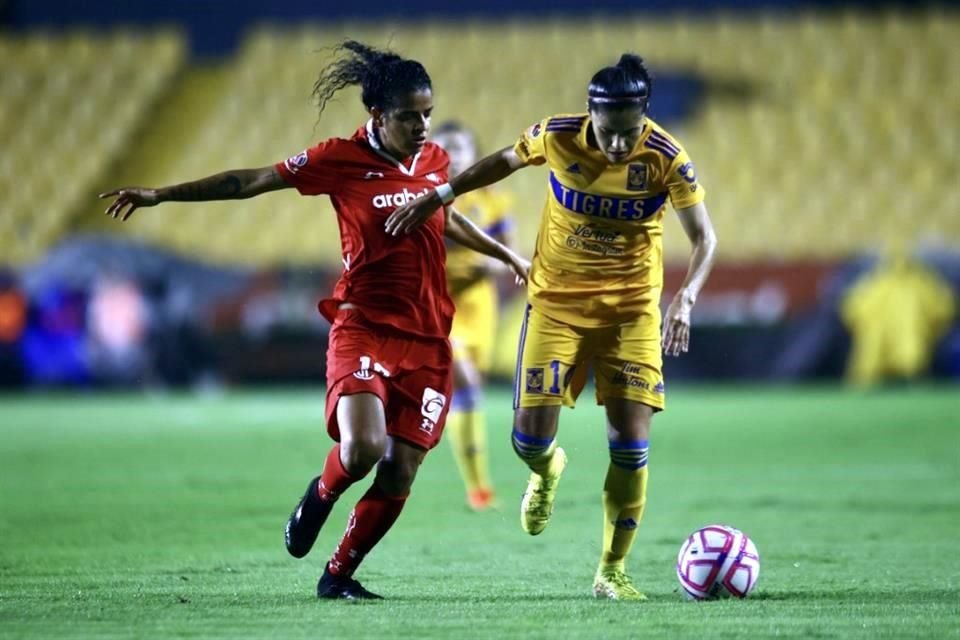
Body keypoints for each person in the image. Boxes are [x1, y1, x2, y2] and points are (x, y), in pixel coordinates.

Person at [99, 41, 530, 600]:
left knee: (401, 469)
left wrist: (507, 255)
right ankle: (322, 494)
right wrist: (161, 195)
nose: (423, 127)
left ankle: (338, 575)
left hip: (427, 339)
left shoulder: (434, 163)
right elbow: (252, 180)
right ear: (377, 115)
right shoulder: (338, 159)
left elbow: (441, 216)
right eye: (409, 116)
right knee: (363, 450)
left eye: (427, 113)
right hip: (364, 326)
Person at [387, 53, 718, 601]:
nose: (618, 145)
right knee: (527, 440)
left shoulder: (666, 156)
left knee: (631, 444)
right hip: (556, 307)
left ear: (644, 117)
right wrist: (442, 195)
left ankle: (612, 570)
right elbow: (500, 161)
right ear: (591, 114)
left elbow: (705, 237)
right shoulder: (558, 136)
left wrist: (685, 298)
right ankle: (546, 470)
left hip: (631, 313)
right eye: (609, 133)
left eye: (629, 133)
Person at [431, 121, 516, 511]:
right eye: (444, 148)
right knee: (461, 376)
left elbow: (507, 259)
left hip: (478, 305)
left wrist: (484, 265)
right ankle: (478, 487)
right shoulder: (421, 196)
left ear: (473, 154)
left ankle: (476, 484)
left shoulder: (493, 202)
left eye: (460, 148)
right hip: (434, 301)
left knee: (467, 391)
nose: (454, 156)